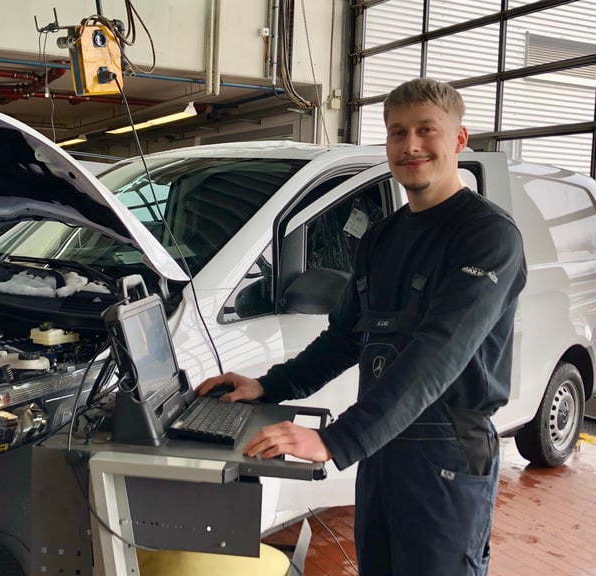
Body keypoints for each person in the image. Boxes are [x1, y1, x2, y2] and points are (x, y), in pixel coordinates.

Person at [196, 78, 527, 576]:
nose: (410, 145)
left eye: (425, 130)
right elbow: (344, 339)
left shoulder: (487, 236)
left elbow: (439, 352)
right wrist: (268, 385)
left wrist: (338, 439)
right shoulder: (381, 237)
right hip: (384, 449)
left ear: (458, 140)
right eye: (397, 133)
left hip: (446, 453)